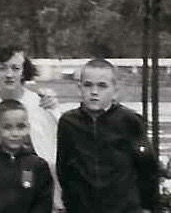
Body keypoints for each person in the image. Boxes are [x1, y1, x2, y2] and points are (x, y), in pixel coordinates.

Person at [0, 45, 62, 211]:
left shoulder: (41, 104)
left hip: (36, 193)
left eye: (15, 68)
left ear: (24, 71)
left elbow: (53, 151)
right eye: (2, 68)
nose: (9, 74)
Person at [56, 59, 158, 213]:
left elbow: (147, 167)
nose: (94, 92)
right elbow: (63, 168)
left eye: (102, 86)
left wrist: (146, 206)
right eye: (88, 85)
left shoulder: (130, 121)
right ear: (79, 88)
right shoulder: (68, 123)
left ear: (115, 91)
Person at [0, 99, 53, 213]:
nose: (15, 133)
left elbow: (43, 203)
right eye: (7, 127)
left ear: (28, 128)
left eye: (21, 127)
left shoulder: (38, 166)